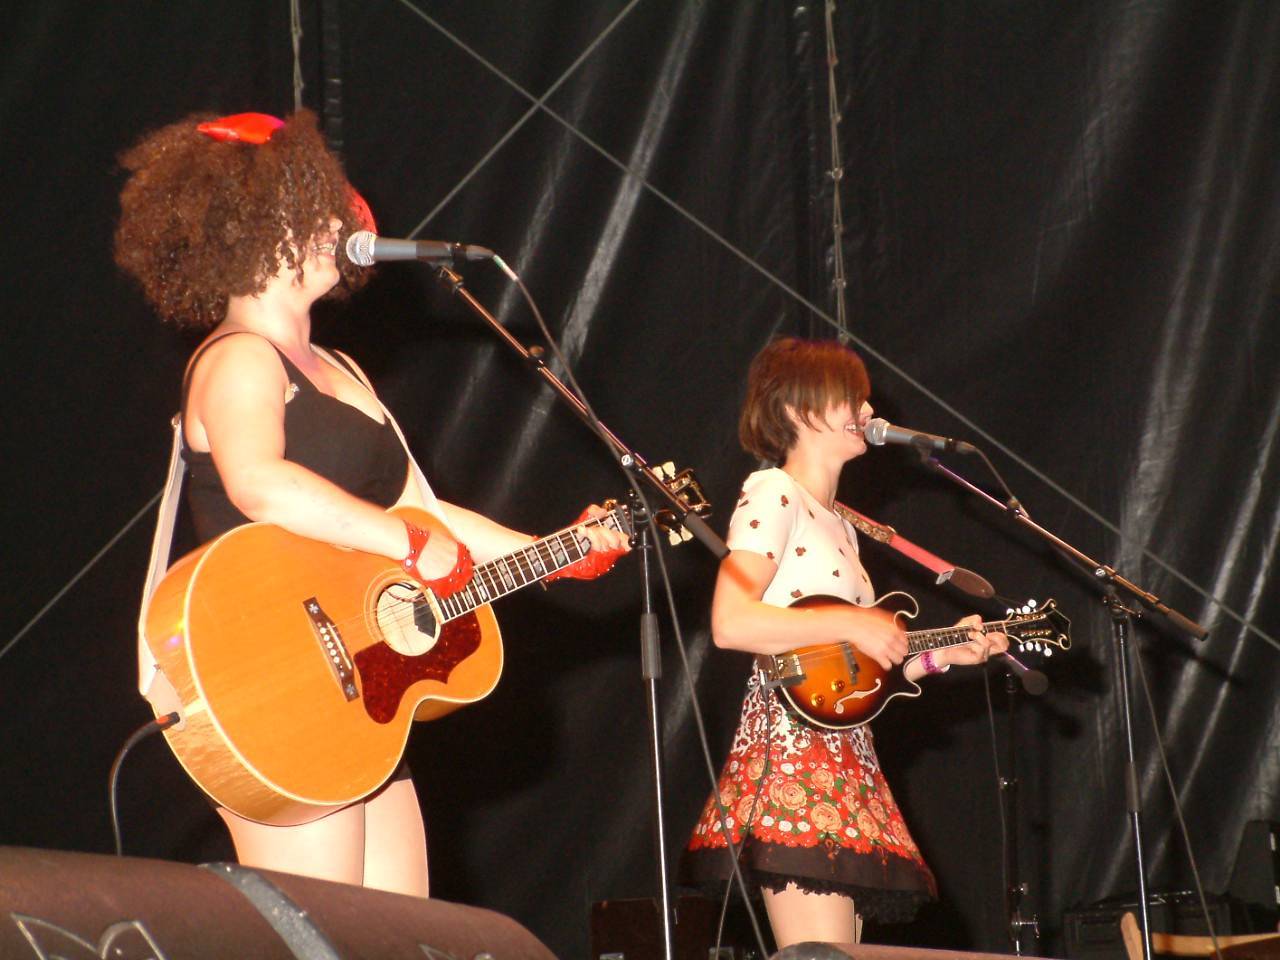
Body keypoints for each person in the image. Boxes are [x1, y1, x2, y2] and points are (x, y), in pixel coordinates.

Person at [114, 109, 630, 897]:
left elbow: (428, 515)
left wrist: (553, 552)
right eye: (313, 209)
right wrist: (403, 543)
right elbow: (261, 484)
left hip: (356, 697)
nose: (339, 223)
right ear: (253, 227)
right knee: (319, 937)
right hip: (276, 687)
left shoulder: (341, 369)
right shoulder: (238, 360)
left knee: (401, 928)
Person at [680, 337, 1007, 949]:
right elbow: (731, 622)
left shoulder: (844, 526)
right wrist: (851, 623)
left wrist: (939, 656)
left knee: (844, 952)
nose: (867, 409)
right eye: (849, 397)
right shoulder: (773, 491)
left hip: (847, 754)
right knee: (820, 956)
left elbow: (855, 673)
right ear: (798, 409)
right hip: (792, 756)